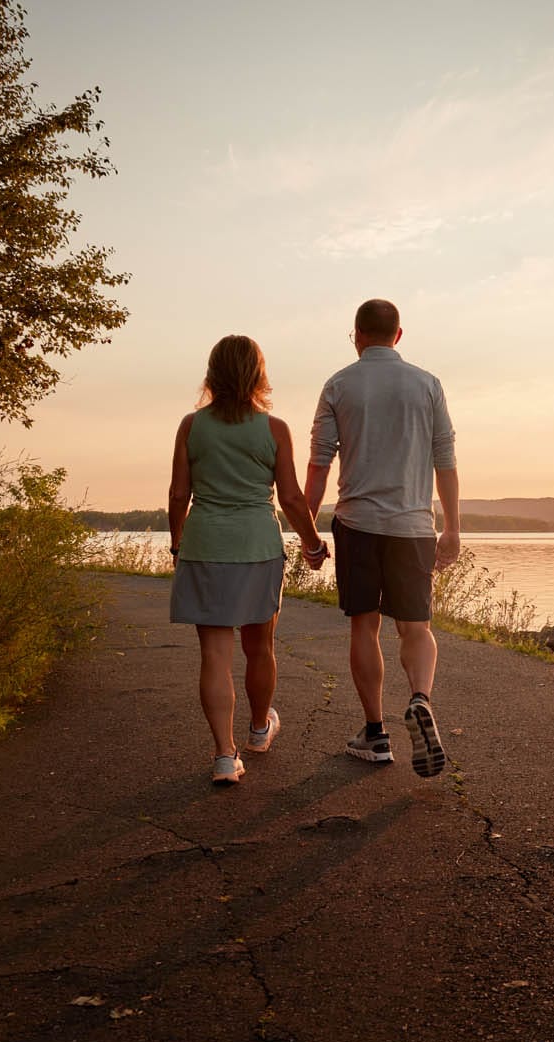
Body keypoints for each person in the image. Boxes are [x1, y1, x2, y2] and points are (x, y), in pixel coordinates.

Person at [306, 299, 460, 778]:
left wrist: (307, 527)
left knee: (364, 627)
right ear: (398, 335)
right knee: (416, 627)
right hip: (414, 526)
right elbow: (445, 460)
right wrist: (452, 526)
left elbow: (319, 462)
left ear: (356, 335)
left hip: (357, 523)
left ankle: (375, 734)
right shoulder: (427, 384)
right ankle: (419, 698)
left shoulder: (338, 385)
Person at [169, 335, 329, 785]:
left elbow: (180, 493)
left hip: (206, 545)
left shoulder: (191, 425)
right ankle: (259, 730)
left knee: (214, 655)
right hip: (257, 547)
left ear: (212, 372)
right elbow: (293, 498)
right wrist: (314, 544)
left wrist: (179, 544)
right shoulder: (274, 429)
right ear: (258, 375)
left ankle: (224, 756)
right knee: (259, 647)